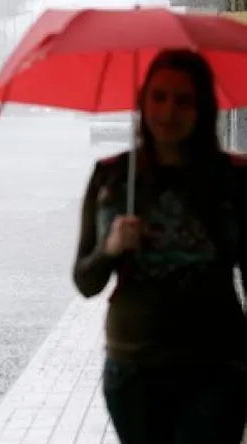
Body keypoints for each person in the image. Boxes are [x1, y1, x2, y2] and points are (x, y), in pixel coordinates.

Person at [73, 48, 247, 443]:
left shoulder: (233, 180)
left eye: (183, 100)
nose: (168, 112)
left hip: (216, 369)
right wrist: (111, 247)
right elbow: (85, 281)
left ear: (203, 109)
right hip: (133, 371)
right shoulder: (112, 178)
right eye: (159, 97)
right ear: (143, 102)